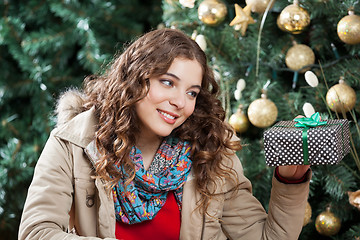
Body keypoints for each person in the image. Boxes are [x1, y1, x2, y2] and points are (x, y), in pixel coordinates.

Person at [18, 28, 311, 240]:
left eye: (192, 92)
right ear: (134, 79)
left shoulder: (210, 153)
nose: (180, 103)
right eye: (167, 83)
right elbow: (36, 232)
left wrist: (290, 180)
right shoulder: (72, 143)